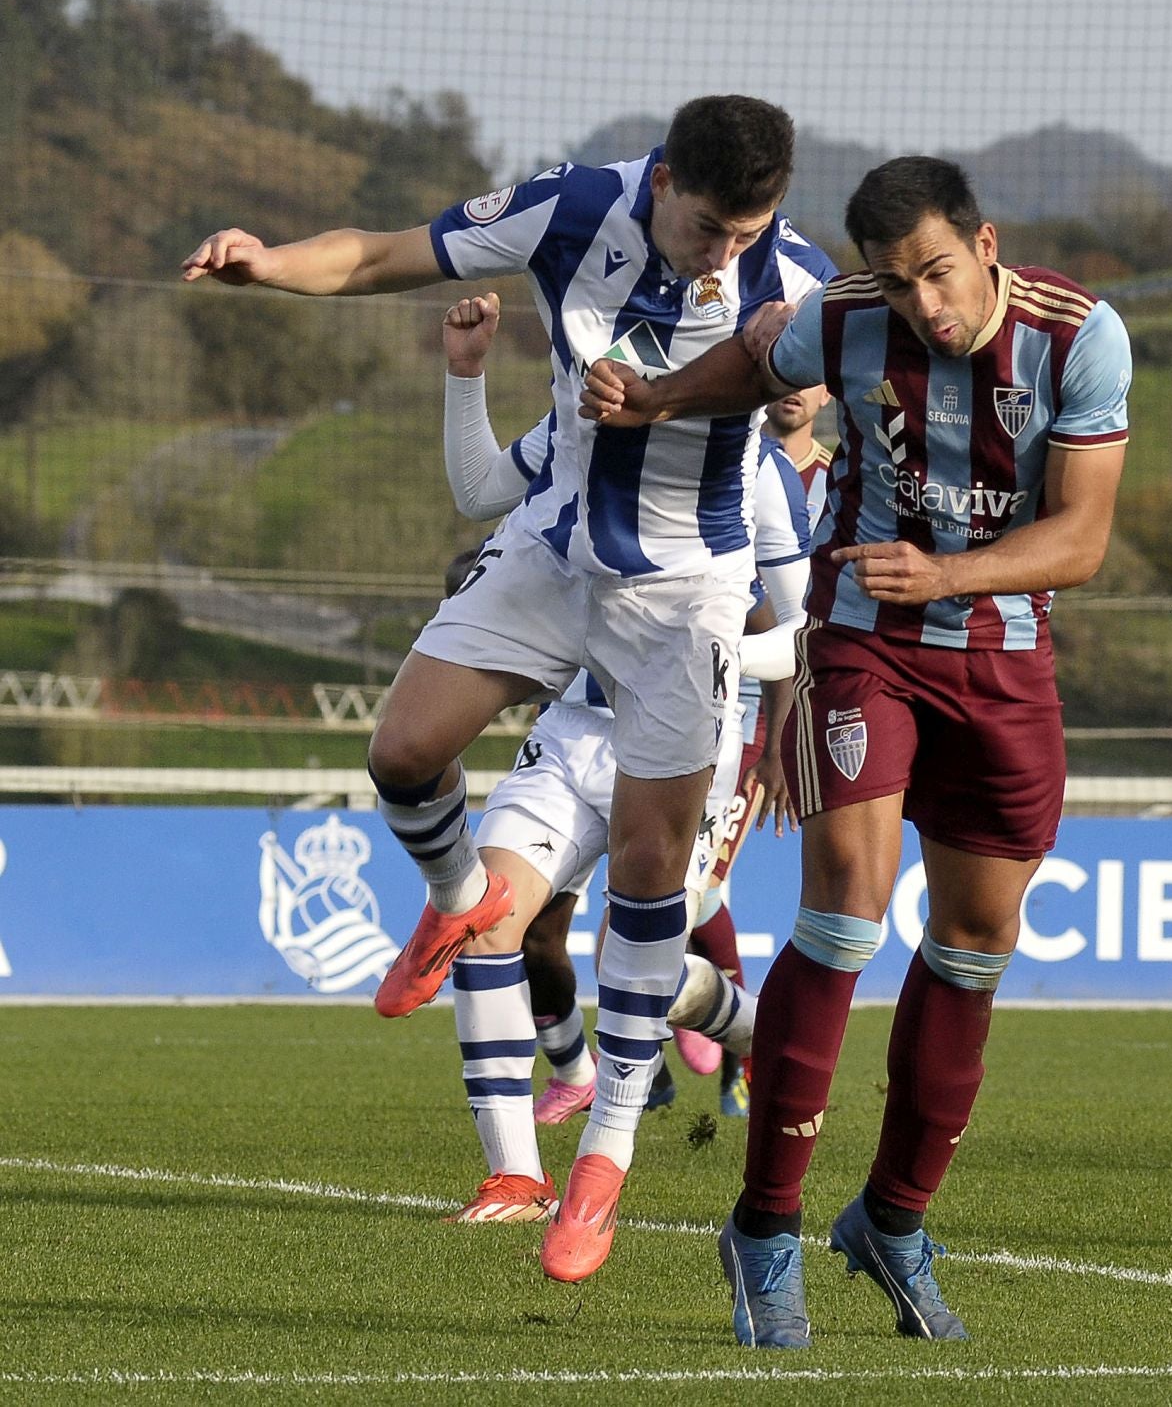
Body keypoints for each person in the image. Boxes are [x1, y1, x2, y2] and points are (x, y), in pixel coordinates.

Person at [181, 95, 838, 1277]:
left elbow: (817, 386)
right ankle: (453, 898)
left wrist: (803, 396)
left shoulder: (791, 273)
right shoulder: (575, 205)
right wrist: (269, 263)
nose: (724, 253)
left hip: (689, 593)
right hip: (555, 548)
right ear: (666, 178)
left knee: (647, 880)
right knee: (401, 753)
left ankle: (601, 1164)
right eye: (707, 227)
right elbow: (386, 252)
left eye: (749, 232)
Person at [581, 155, 1132, 1345]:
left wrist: (952, 573)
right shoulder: (842, 319)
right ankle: (765, 1225)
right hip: (865, 643)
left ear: (987, 244)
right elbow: (753, 362)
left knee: (978, 941)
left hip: (1004, 658)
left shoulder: (1078, 337)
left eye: (936, 272)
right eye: (894, 282)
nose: (922, 305)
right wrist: (656, 397)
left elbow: (1081, 538)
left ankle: (891, 1216)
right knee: (845, 915)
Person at [433, 294, 808, 1222]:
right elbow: (481, 486)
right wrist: (466, 372)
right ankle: (515, 1178)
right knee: (486, 919)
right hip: (571, 733)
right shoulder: (575, 430)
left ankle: (765, 1031)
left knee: (633, 971)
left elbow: (803, 638)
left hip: (686, 743)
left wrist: (703, 662)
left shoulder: (758, 472)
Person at [701, 380, 832, 1117]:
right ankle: (665, 1041)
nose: (787, 390)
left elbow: (802, 622)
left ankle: (738, 1047)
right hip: (679, 691)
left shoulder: (835, 480)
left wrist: (779, 741)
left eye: (804, 375)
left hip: (758, 712)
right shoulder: (720, 454)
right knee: (658, 887)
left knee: (700, 889)